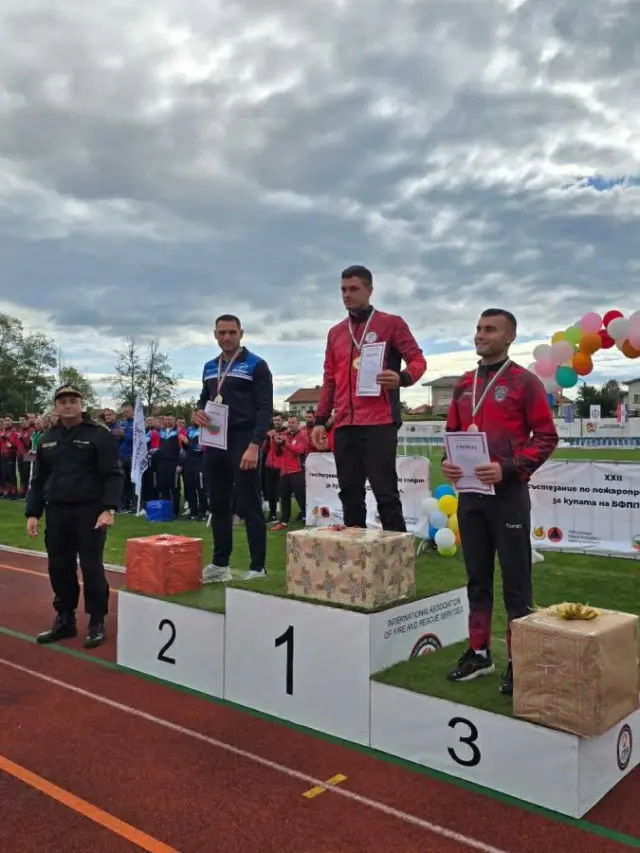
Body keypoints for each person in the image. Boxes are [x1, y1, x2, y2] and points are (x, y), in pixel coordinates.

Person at [441, 308, 558, 696]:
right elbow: (452, 434)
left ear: (510, 337)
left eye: (490, 329)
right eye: (478, 328)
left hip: (507, 495)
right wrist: (448, 463)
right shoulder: (463, 383)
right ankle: (479, 652)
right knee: (476, 578)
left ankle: (518, 659)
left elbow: (546, 437)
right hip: (470, 496)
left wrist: (507, 468)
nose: (480, 334)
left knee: (516, 582)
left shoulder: (524, 382)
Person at [312, 265, 427, 531]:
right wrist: (320, 420)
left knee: (386, 495)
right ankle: (356, 553)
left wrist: (403, 378)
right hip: (344, 423)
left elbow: (418, 360)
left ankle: (396, 553)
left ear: (369, 290)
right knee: (349, 495)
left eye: (354, 289)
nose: (347, 295)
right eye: (343, 289)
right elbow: (329, 380)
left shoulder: (391, 324)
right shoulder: (335, 333)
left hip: (379, 421)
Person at [25, 385, 125, 649]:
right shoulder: (47, 437)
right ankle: (65, 619)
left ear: (81, 404)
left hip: (89, 512)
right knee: (59, 567)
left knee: (91, 568)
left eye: (73, 400)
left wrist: (108, 508)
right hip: (57, 511)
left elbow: (113, 474)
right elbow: (38, 480)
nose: (68, 405)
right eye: (62, 402)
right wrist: (33, 513)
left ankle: (96, 621)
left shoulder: (99, 435)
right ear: (55, 407)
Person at [194, 314, 273, 582]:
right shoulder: (209, 366)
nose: (226, 337)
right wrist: (198, 412)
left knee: (250, 504)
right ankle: (220, 565)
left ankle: (258, 567)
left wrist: (255, 445)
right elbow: (205, 398)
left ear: (241, 333)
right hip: (215, 439)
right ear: (215, 334)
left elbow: (265, 409)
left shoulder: (256, 365)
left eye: (231, 332)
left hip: (243, 438)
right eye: (221, 333)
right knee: (218, 505)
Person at [270, 415, 308, 531]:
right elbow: (277, 453)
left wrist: (285, 444)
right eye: (289, 423)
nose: (290, 425)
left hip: (297, 470)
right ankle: (284, 522)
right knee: (284, 498)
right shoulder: (284, 435)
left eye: (293, 422)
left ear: (298, 424)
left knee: (301, 497)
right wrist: (276, 442)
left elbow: (299, 450)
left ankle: (308, 519)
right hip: (284, 471)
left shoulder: (303, 435)